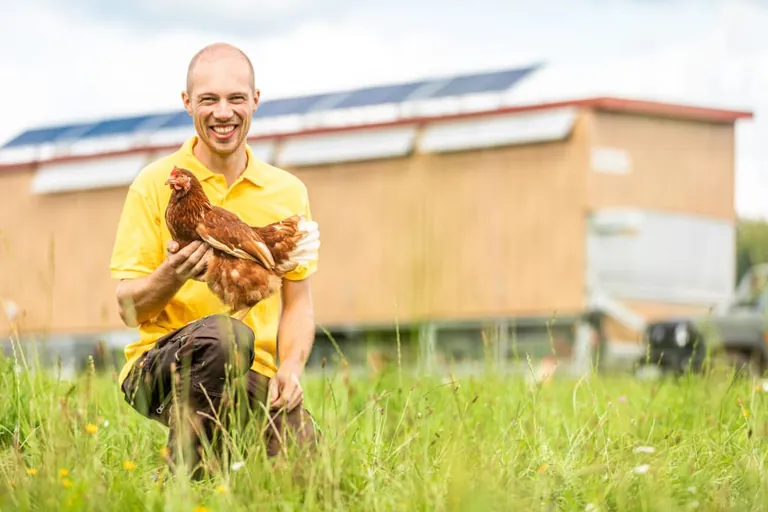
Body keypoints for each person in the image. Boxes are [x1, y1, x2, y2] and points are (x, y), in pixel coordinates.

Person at [109, 42, 320, 479]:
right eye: (209, 99)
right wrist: (170, 275)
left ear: (255, 101)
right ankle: (180, 482)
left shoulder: (287, 191)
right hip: (158, 366)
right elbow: (129, 309)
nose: (223, 112)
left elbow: (297, 301)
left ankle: (204, 464)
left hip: (250, 373)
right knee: (226, 337)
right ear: (187, 103)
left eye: (235, 98)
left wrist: (291, 367)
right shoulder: (152, 185)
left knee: (306, 470)